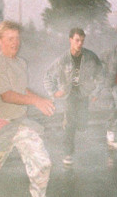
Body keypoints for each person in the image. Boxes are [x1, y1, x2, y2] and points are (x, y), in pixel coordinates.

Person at [0, 20, 60, 197]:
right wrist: (36, 101)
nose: (15, 42)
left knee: (42, 162)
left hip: (21, 123)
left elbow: (21, 89)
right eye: (9, 39)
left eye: (17, 38)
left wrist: (41, 99)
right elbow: (7, 95)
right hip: (0, 125)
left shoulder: (21, 63)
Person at [44, 28, 103, 165]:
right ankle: (68, 153)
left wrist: (96, 92)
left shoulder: (90, 57)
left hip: (84, 94)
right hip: (69, 95)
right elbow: (48, 76)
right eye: (77, 40)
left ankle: (75, 125)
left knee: (82, 125)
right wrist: (53, 92)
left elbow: (101, 75)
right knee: (70, 124)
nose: (80, 43)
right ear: (70, 40)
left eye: (82, 40)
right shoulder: (63, 60)